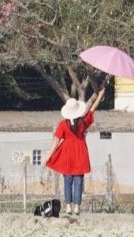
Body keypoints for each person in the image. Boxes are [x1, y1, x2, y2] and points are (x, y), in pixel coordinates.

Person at [45, 88, 105, 217]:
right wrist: (99, 96)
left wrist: (49, 155)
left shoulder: (62, 124)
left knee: (67, 179)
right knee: (78, 180)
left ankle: (68, 206)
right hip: (80, 152)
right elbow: (92, 109)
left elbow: (56, 141)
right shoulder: (83, 123)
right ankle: (77, 207)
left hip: (66, 153)